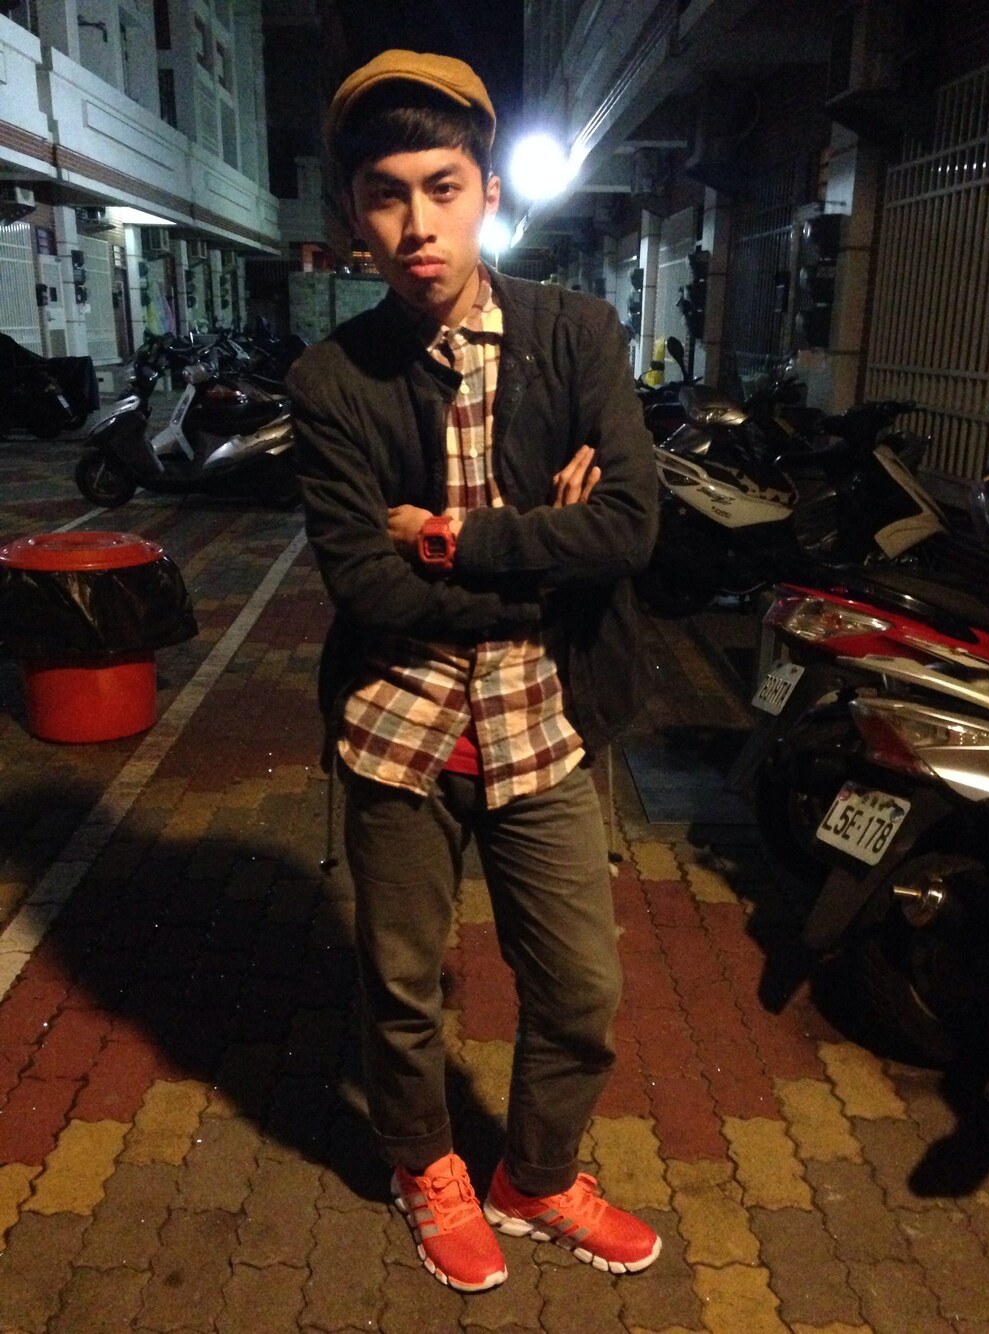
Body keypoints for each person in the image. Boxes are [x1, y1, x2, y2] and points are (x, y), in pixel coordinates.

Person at [288, 48, 660, 1293]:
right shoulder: (331, 379)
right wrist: (552, 546)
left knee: (581, 985)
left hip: (542, 717)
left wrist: (455, 537)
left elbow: (630, 529)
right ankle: (425, 1165)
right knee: (401, 986)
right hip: (397, 727)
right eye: (385, 195)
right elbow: (365, 584)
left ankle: (536, 1174)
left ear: (486, 192)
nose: (417, 226)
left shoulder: (575, 334)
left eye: (441, 188)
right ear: (355, 214)